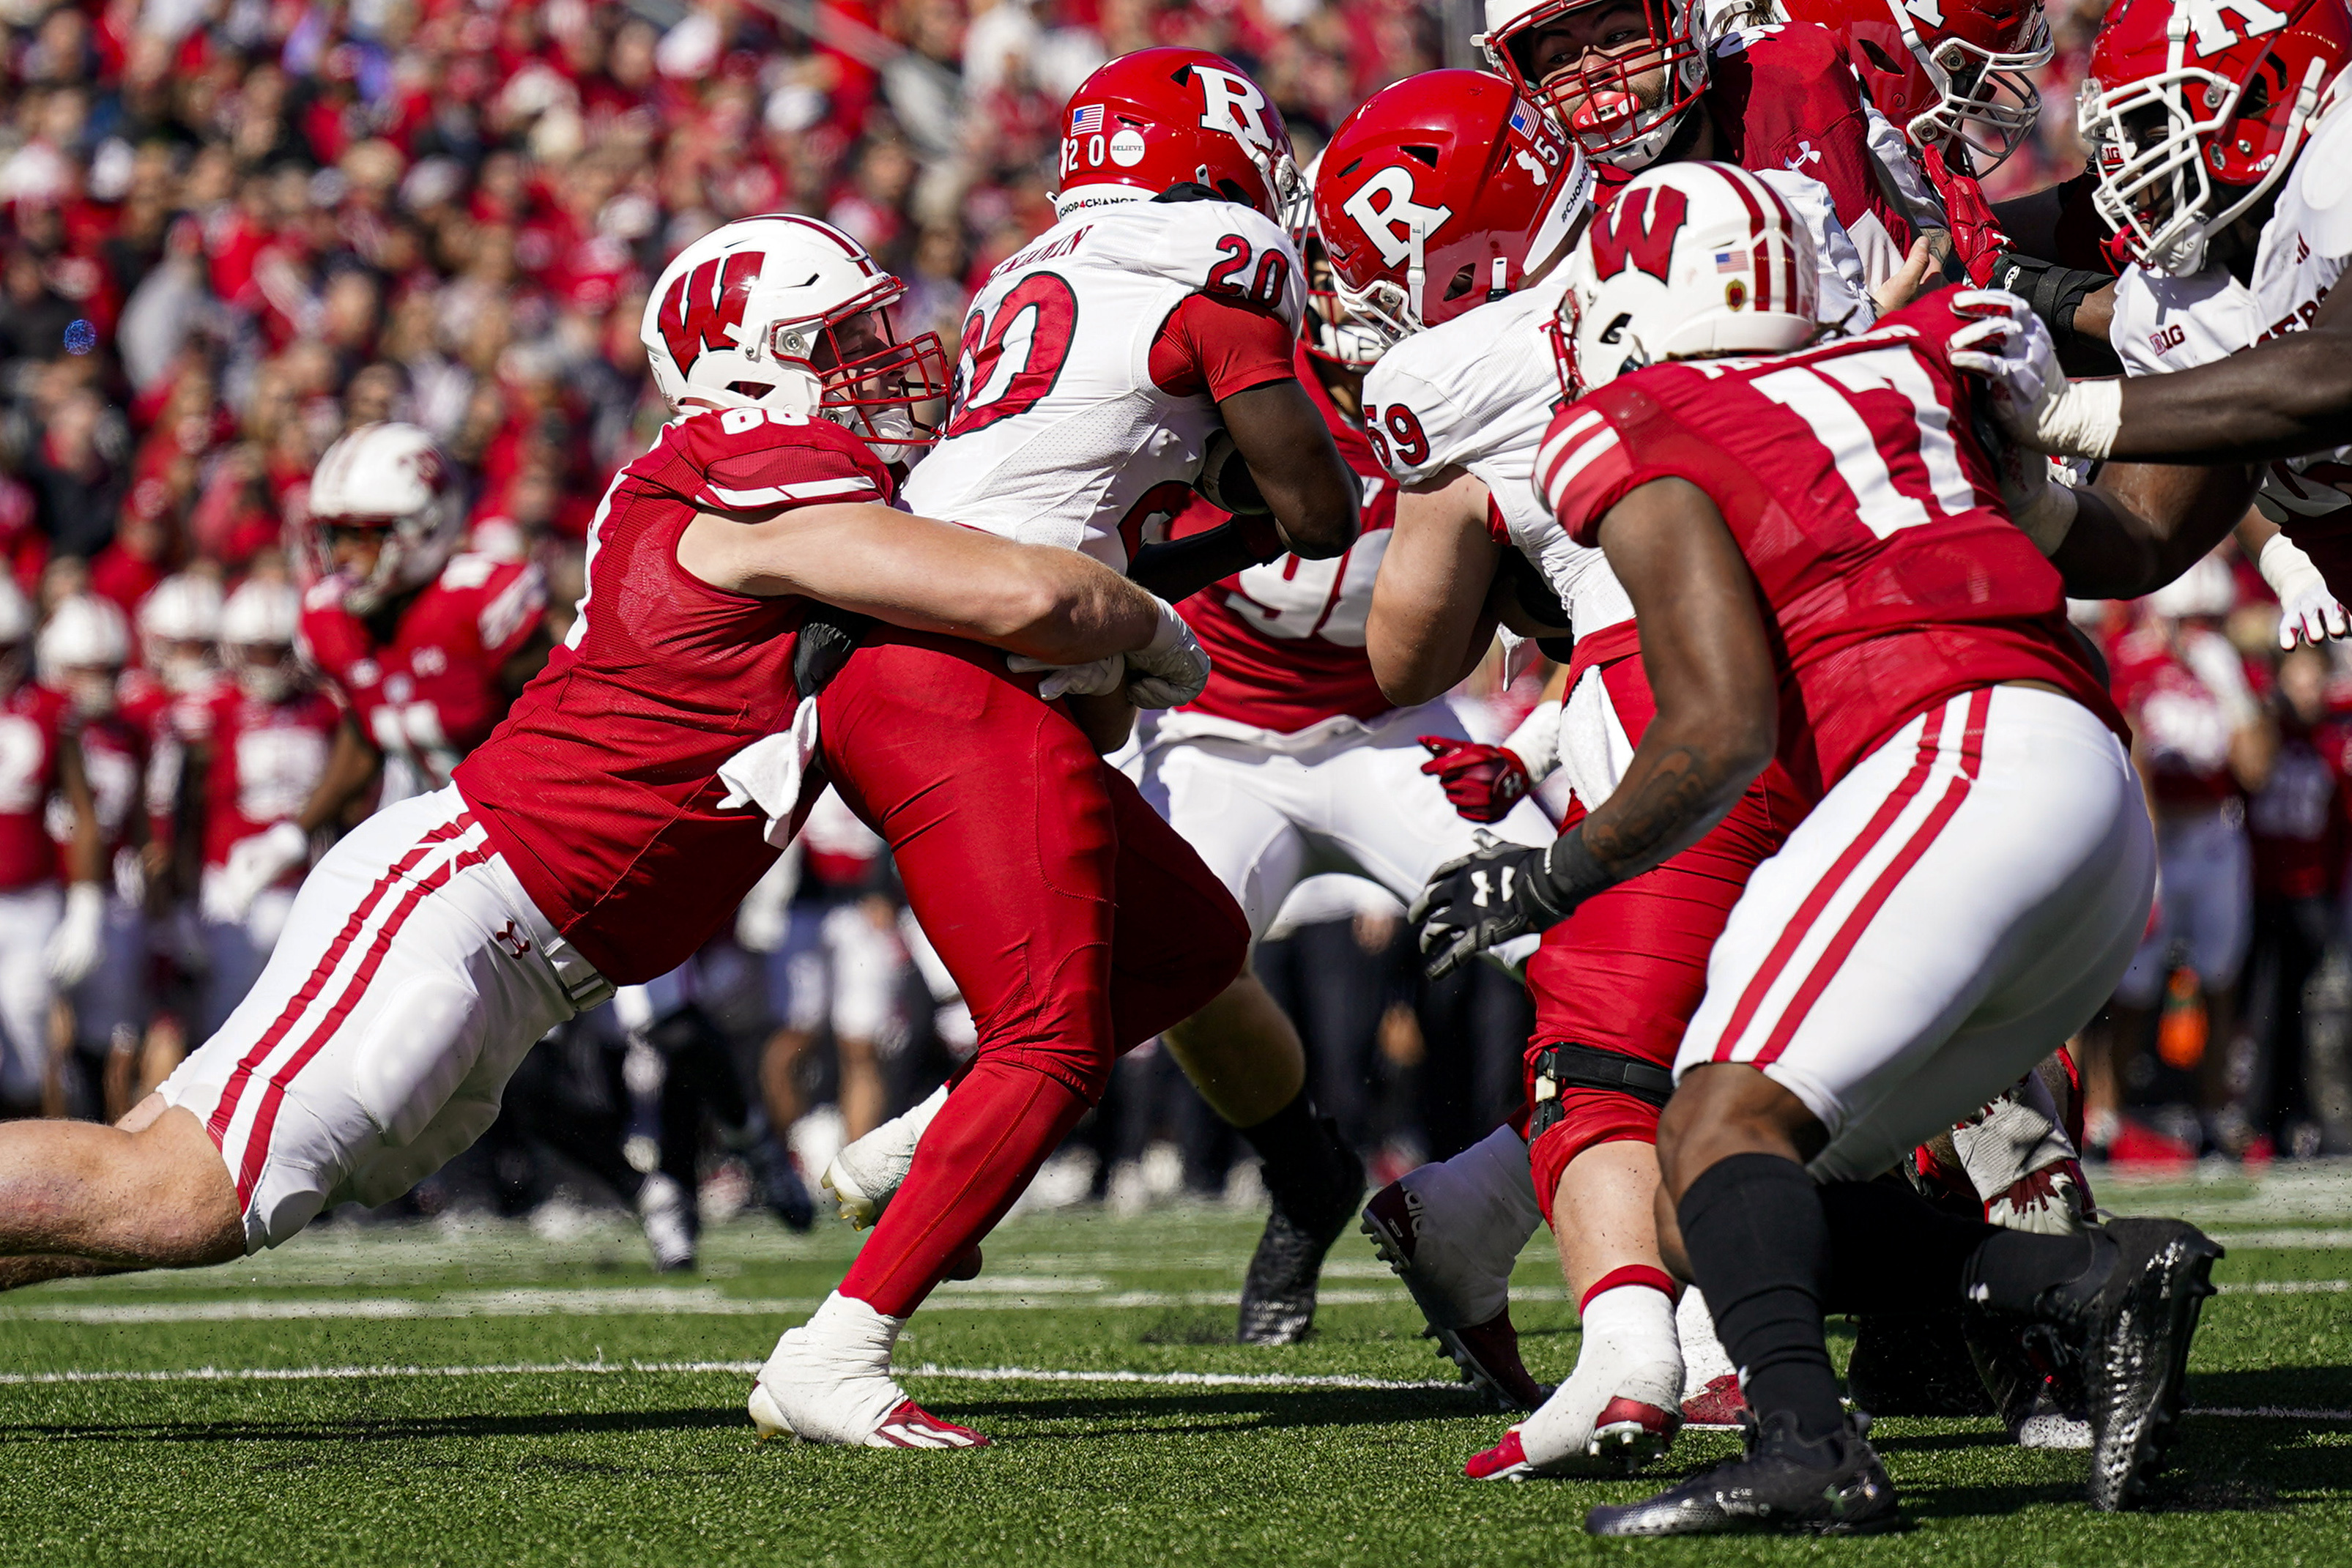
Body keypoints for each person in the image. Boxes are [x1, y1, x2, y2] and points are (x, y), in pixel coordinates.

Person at [0, 218, 1242, 1466]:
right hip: (471, 898)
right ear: (750, 361)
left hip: (527, 952)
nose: (884, 358)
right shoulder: (747, 456)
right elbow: (1035, 596)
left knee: (193, 1208)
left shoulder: (787, 485)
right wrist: (1143, 620)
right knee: (177, 1191)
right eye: (843, 339)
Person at [1418, 159, 2216, 1531]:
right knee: (1719, 1186)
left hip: (1952, 753)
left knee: (1715, 1114)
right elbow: (2109, 535)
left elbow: (1717, 722)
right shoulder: (1908, 363)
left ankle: (1806, 1443)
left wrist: (1555, 870)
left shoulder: (1635, 414)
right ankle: (2085, 1283)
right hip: (2085, 793)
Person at [824, 47, 1368, 1345]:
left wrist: (1167, 564)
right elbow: (1321, 508)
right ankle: (844, 1340)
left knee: (1191, 948)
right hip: (974, 676)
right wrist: (1271, 454)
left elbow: (1087, 506)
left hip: (926, 624)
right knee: (1052, 1034)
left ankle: (941, 1156)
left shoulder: (1035, 265)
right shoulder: (1216, 270)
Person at [1334, 124, 1818, 1465]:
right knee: (1776, 1015)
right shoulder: (1764, 225)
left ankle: (1636, 1342)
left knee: (1621, 1042)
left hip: (1656, 697)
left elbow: (1403, 656)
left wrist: (1494, 549)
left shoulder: (1452, 370)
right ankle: (1713, 1336)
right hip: (1859, 668)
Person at [1113, 70, 1576, 1366]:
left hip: (1390, 724)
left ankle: (1517, 1204)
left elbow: (1563, 588)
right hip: (1220, 726)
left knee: (1581, 953)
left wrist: (1531, 728)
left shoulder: (1477, 376)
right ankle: (1302, 1174)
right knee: (1165, 966)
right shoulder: (1223, 357)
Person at [1954, 0, 2352, 623]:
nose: (2126, 167)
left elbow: (2338, 367)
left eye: (2149, 123)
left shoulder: (2341, 154)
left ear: (2263, 97)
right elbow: (2144, 532)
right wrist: (2032, 504)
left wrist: (2065, 413)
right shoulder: (2177, 295)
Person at [206, 421, 554, 922]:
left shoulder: (478, 599)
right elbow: (366, 728)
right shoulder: (331, 620)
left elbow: (567, 717)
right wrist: (294, 833)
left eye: (362, 536)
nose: (342, 555)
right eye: (334, 535)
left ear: (426, 526)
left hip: (534, 836)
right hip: (434, 846)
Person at [186, 579, 341, 1036]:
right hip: (227, 882)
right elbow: (182, 805)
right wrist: (181, 893)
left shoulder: (325, 708)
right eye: (257, 651)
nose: (268, 663)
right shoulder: (212, 707)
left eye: (277, 650)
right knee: (226, 1011)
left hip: (301, 882)